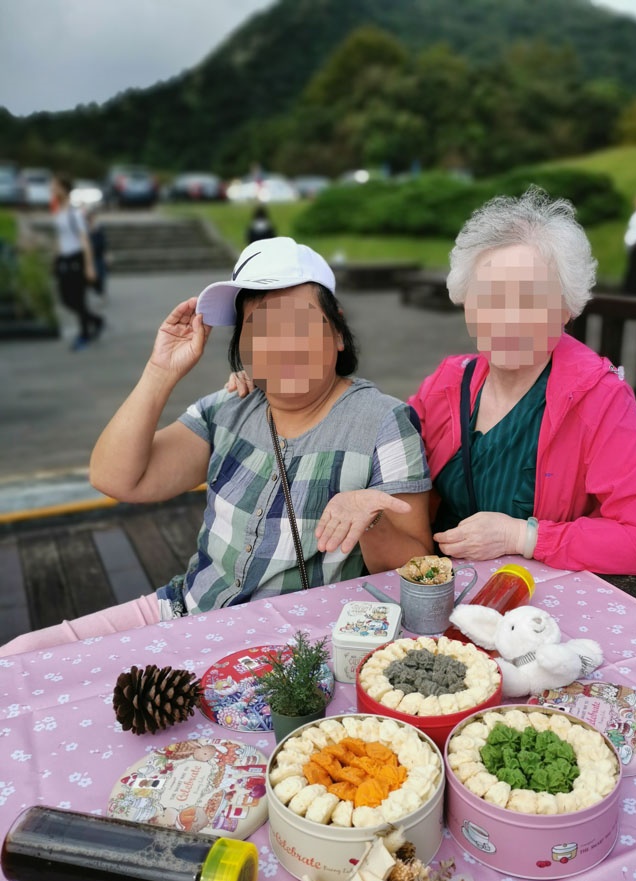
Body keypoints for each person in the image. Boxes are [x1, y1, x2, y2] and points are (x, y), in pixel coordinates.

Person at [1, 237, 432, 656]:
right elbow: (117, 479)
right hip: (187, 610)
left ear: (337, 332)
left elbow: (416, 570)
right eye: (259, 327)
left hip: (297, 642)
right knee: (21, 654)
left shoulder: (382, 422)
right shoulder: (228, 408)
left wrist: (372, 518)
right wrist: (160, 370)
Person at [408, 188, 636, 577]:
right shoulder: (448, 382)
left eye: (531, 299)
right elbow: (389, 461)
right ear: (465, 301)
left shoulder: (599, 399)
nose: (509, 319)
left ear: (567, 308)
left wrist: (522, 536)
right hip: (442, 599)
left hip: (542, 607)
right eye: (490, 297)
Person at [51, 175, 104, 350]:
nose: (52, 189)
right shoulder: (59, 212)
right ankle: (95, 320)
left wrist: (89, 266)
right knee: (66, 299)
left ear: (64, 189)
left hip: (76, 259)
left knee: (78, 299)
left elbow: (84, 240)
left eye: (55, 185)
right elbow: (60, 238)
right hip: (64, 259)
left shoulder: (75, 214)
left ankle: (84, 334)